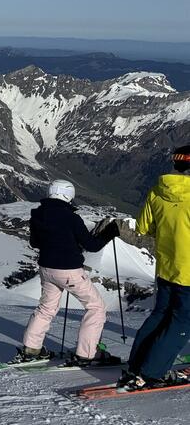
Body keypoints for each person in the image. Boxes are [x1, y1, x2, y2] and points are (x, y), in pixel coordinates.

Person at [12, 179, 120, 365]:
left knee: (46, 308)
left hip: (46, 269)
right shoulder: (71, 217)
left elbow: (35, 243)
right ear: (69, 195)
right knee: (96, 308)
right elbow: (92, 246)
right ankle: (87, 354)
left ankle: (31, 349)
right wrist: (110, 232)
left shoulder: (37, 215)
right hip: (69, 271)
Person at [121, 145, 190, 390]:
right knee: (182, 322)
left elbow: (143, 227)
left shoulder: (158, 191)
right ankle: (152, 373)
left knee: (160, 315)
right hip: (189, 273)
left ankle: (136, 366)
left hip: (165, 269)